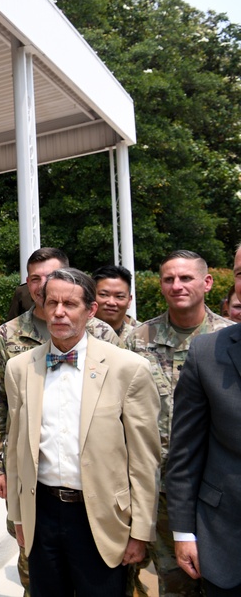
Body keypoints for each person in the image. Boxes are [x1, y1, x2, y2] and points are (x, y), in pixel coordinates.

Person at [0, 247, 123, 594]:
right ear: (27, 284)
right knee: (38, 571)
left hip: (91, 480)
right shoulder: (7, 336)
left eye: (50, 276)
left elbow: (123, 409)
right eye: (34, 279)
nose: (42, 286)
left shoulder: (101, 333)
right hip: (32, 475)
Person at [5, 268, 160, 597]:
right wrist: (18, 516)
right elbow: (17, 447)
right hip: (42, 514)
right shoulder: (19, 368)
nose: (59, 312)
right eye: (52, 303)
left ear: (90, 310)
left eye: (70, 304)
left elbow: (144, 460)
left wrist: (141, 531)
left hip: (101, 518)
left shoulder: (127, 369)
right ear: (43, 307)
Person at [126, 250, 233, 597]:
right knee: (174, 586)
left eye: (186, 278)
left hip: (219, 488)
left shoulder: (229, 340)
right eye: (168, 279)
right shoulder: (136, 341)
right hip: (159, 490)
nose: (177, 286)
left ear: (207, 282)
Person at [163, 245, 241, 596]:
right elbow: (185, 453)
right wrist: (183, 532)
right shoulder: (208, 352)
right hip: (225, 541)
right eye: (240, 274)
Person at [93, 264, 138, 338]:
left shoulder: (143, 333)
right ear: (91, 296)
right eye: (103, 294)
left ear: (129, 300)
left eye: (119, 296)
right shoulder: (78, 332)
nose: (111, 302)